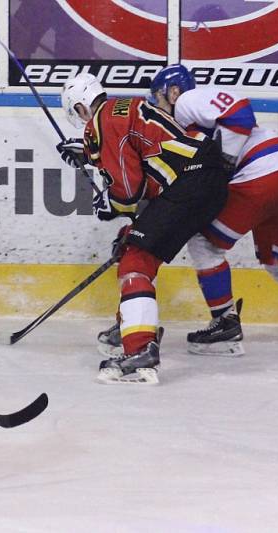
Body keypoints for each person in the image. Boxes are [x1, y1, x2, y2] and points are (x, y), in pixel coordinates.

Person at [144, 64, 278, 355]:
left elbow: (241, 112)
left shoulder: (185, 103)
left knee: (203, 242)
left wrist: (226, 163)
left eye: (157, 98)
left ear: (173, 91)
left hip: (258, 176)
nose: (156, 106)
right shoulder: (183, 130)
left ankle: (224, 325)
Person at [56, 73, 231, 384]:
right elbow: (147, 155)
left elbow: (128, 192)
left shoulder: (104, 121)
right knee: (133, 247)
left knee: (135, 259)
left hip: (192, 180)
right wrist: (88, 155)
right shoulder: (121, 109)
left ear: (81, 108)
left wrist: (107, 205)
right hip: (204, 177)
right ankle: (134, 323)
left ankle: (139, 353)